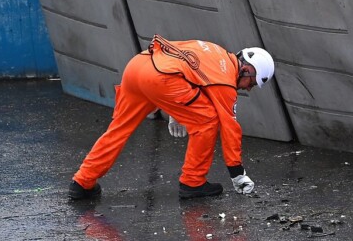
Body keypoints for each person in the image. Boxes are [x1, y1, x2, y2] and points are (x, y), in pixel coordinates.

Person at [68, 35, 274, 200]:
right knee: (207, 121)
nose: (248, 89)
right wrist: (237, 173)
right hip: (162, 79)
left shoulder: (215, 50)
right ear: (246, 70)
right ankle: (193, 183)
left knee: (118, 129)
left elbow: (186, 65)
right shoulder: (226, 81)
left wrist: (177, 111)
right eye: (252, 83)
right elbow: (230, 128)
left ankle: (82, 183)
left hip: (138, 65)